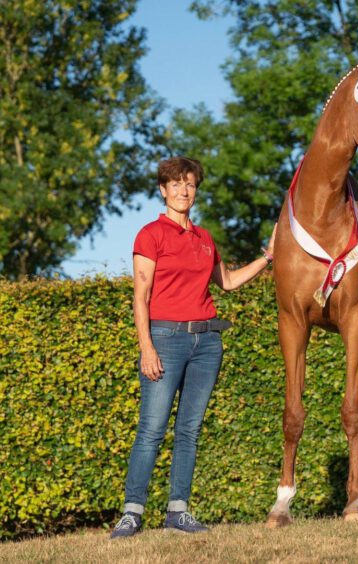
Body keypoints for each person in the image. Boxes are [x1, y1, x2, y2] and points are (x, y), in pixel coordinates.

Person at [111, 156, 276, 538]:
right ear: (163, 190)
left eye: (190, 184)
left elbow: (229, 282)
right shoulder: (150, 235)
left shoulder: (204, 238)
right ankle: (132, 513)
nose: (183, 191)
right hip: (165, 339)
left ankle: (177, 511)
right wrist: (146, 347)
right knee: (151, 429)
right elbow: (141, 296)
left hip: (207, 343)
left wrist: (268, 257)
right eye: (176, 184)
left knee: (189, 431)